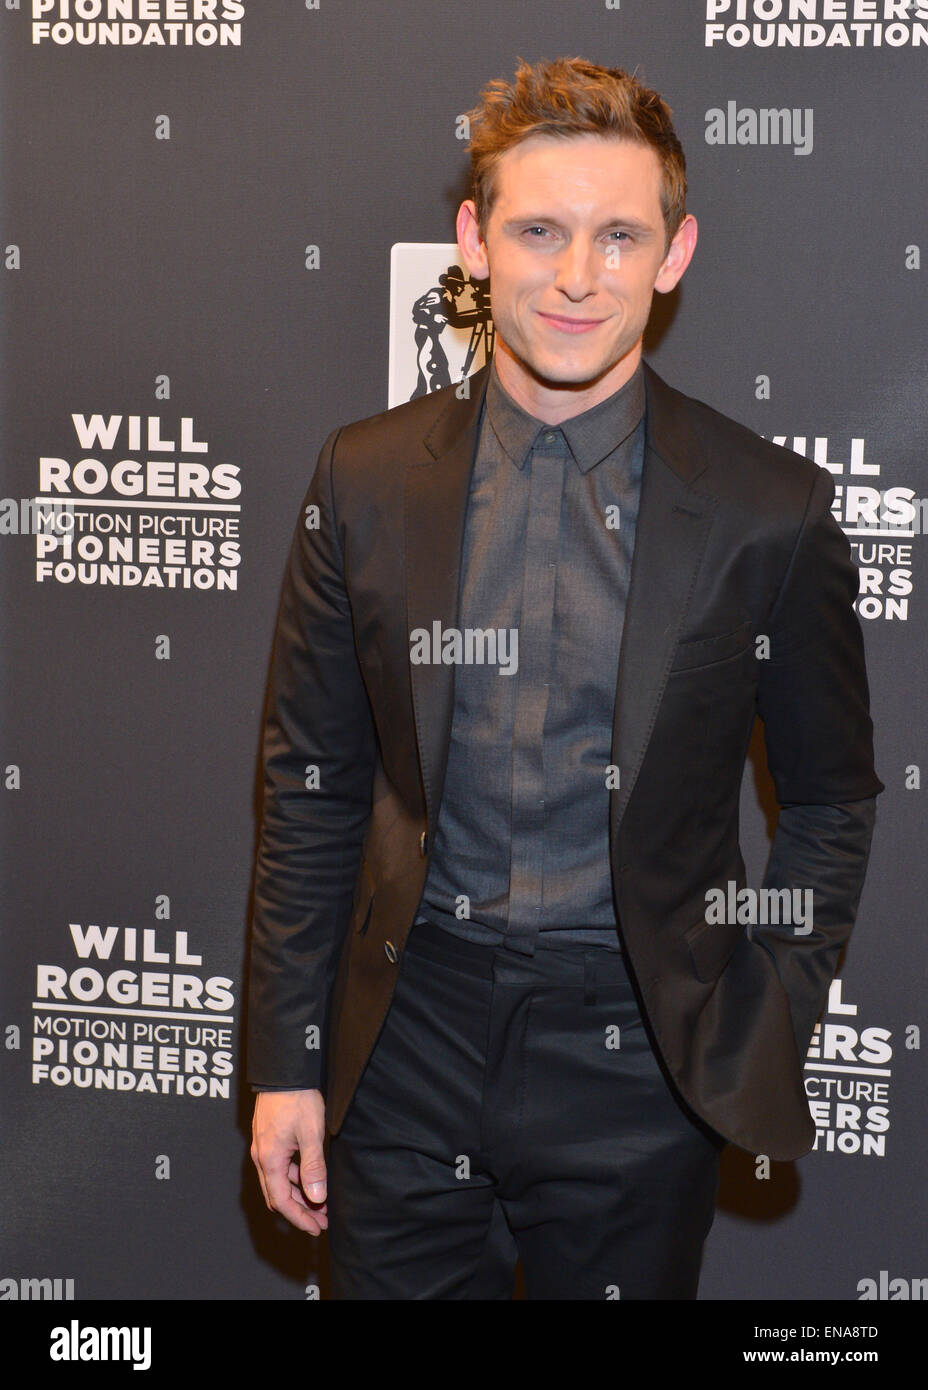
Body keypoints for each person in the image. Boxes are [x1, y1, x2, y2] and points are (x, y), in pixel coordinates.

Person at [247, 56, 882, 1299]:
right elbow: (311, 790)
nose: (579, 276)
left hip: (639, 1061)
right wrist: (286, 1058)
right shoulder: (363, 480)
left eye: (618, 235)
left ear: (676, 251)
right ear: (473, 242)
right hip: (405, 1043)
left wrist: (759, 1015)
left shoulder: (770, 511)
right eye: (539, 231)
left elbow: (826, 802)